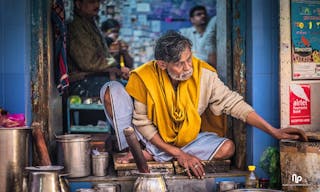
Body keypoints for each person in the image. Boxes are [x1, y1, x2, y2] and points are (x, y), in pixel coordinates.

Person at [100, 31, 307, 180]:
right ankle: (140, 150)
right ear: (162, 64)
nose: (188, 67)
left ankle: (156, 155)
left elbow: (233, 103)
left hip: (185, 140)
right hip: (149, 139)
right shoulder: (144, 76)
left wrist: (274, 131)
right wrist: (180, 156)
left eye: (189, 59)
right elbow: (142, 123)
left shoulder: (203, 74)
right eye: (180, 63)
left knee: (228, 148)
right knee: (110, 89)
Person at [67, 0, 130, 97]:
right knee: (134, 92)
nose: (97, 5)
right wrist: (117, 68)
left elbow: (102, 57)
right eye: (92, 2)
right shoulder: (76, 25)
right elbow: (89, 63)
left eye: (98, 2)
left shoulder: (90, 22)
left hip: (93, 79)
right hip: (81, 83)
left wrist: (118, 69)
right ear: (79, 4)